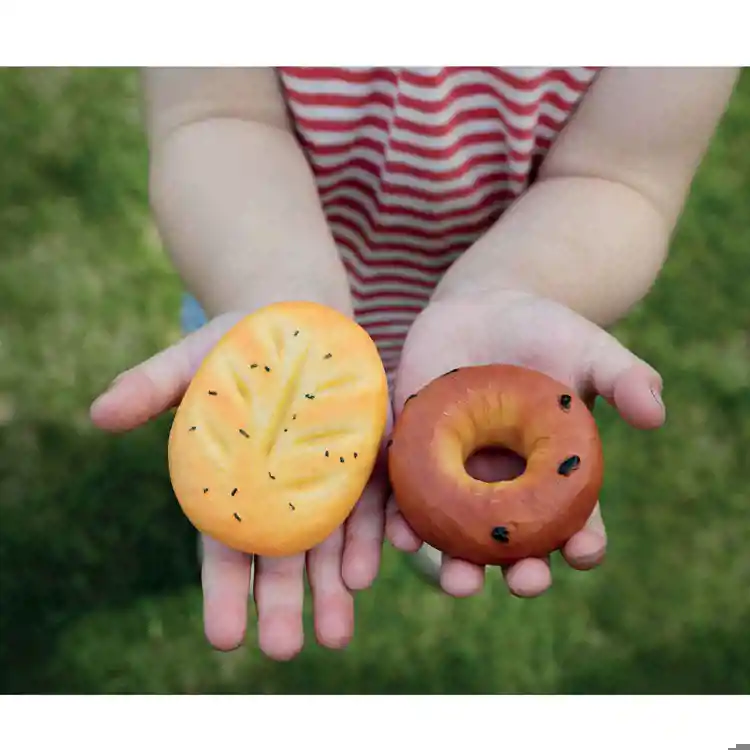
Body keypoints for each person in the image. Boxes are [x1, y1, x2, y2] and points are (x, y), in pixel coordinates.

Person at [90, 67, 738, 662]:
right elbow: (216, 116)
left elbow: (620, 177)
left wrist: (509, 286)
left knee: (441, 509)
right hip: (263, 304)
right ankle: (405, 519)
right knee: (245, 467)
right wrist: (278, 293)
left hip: (499, 338)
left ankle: (432, 526)